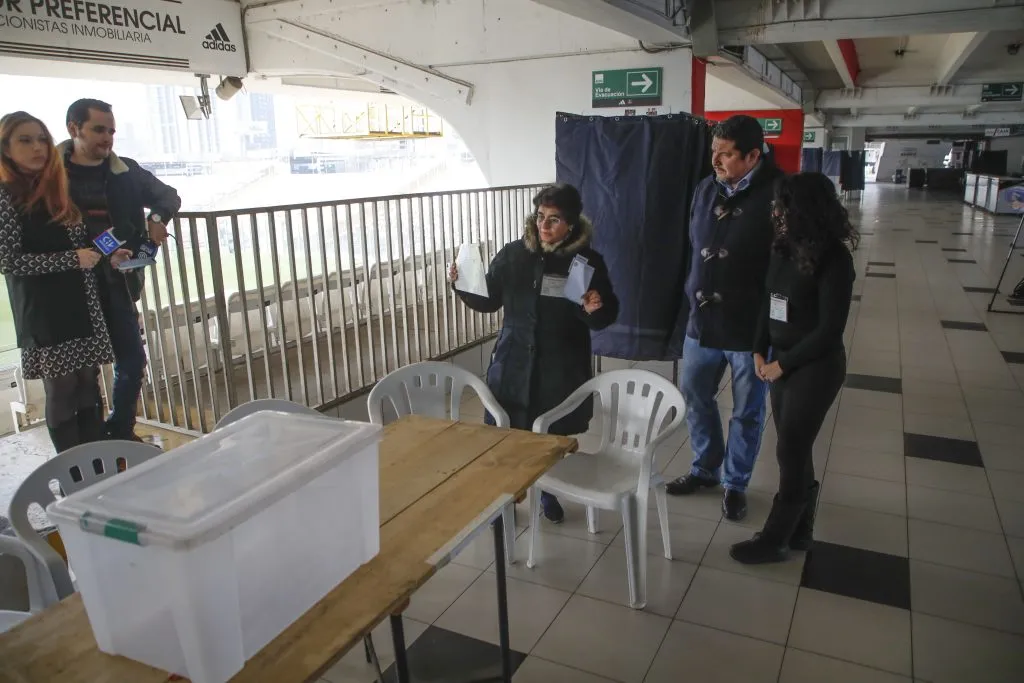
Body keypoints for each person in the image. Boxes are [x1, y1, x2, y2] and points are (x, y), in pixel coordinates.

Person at [448, 184, 619, 523]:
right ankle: (504, 498)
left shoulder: (586, 261)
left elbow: (602, 315)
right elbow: (489, 300)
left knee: (551, 435)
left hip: (561, 363)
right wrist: (461, 284)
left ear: (570, 224)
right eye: (540, 217)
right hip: (513, 359)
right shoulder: (513, 254)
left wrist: (595, 307)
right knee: (506, 433)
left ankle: (549, 489)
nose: (544, 225)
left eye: (554, 220)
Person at [731, 172, 857, 564]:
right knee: (796, 448)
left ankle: (775, 537)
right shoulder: (782, 248)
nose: (775, 212)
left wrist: (782, 364)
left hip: (814, 367)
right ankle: (801, 528)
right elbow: (767, 302)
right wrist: (757, 349)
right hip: (779, 362)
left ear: (802, 209)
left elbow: (829, 330)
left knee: (789, 448)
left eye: (781, 205)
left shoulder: (835, 258)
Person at [666, 115, 783, 521]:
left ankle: (736, 483)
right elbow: (693, 242)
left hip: (750, 327)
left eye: (726, 154)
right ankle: (704, 468)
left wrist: (773, 330)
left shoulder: (778, 194)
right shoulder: (705, 189)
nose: (716, 161)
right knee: (695, 396)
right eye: (713, 152)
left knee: (747, 409)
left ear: (753, 155)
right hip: (702, 321)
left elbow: (787, 264)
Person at [0, 111, 131, 452]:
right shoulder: (4, 196)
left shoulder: (55, 188)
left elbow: (79, 241)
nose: (37, 148)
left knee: (89, 385)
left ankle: (95, 464)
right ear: (5, 148)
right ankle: (72, 475)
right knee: (61, 389)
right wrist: (71, 259)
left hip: (81, 301)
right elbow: (8, 261)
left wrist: (108, 252)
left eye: (42, 139)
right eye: (25, 140)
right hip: (44, 309)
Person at [60, 99, 181, 442]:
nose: (107, 138)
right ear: (74, 128)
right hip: (69, 286)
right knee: (82, 374)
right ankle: (90, 442)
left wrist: (157, 218)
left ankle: (120, 427)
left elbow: (168, 196)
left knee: (132, 360)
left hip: (118, 281)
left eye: (111, 131)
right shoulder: (51, 175)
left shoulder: (125, 171)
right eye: (99, 129)